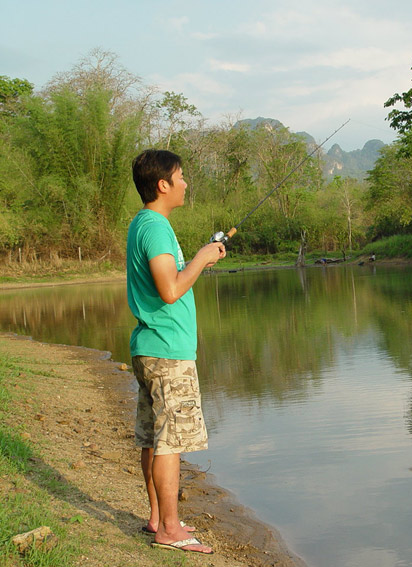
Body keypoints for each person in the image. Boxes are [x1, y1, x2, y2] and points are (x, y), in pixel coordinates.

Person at [126, 149, 225, 555]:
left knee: (153, 437)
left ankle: (157, 518)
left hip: (151, 347)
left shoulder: (144, 224)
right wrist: (202, 257)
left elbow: (168, 282)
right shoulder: (156, 227)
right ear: (163, 184)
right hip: (167, 351)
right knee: (170, 441)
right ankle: (169, 528)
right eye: (181, 176)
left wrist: (199, 260)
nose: (186, 182)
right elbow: (169, 291)